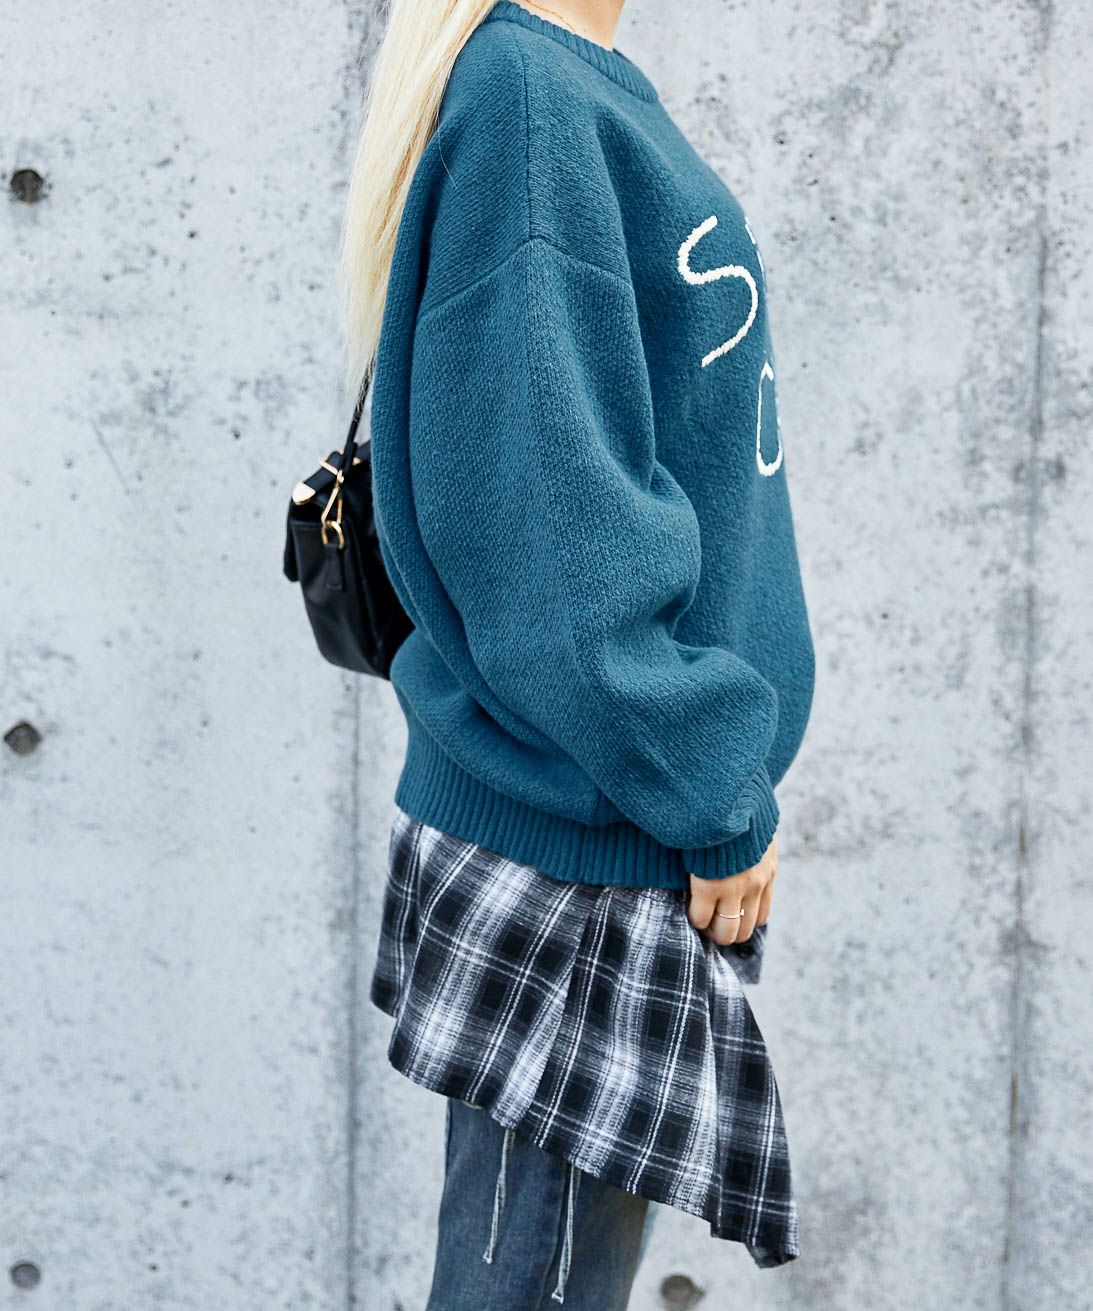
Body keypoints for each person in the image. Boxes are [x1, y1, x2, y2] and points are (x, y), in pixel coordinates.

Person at [340, 1, 816, 1306]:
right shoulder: (531, 103)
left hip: (606, 812)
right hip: (587, 838)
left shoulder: (572, 85)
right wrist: (710, 790)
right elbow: (554, 535)